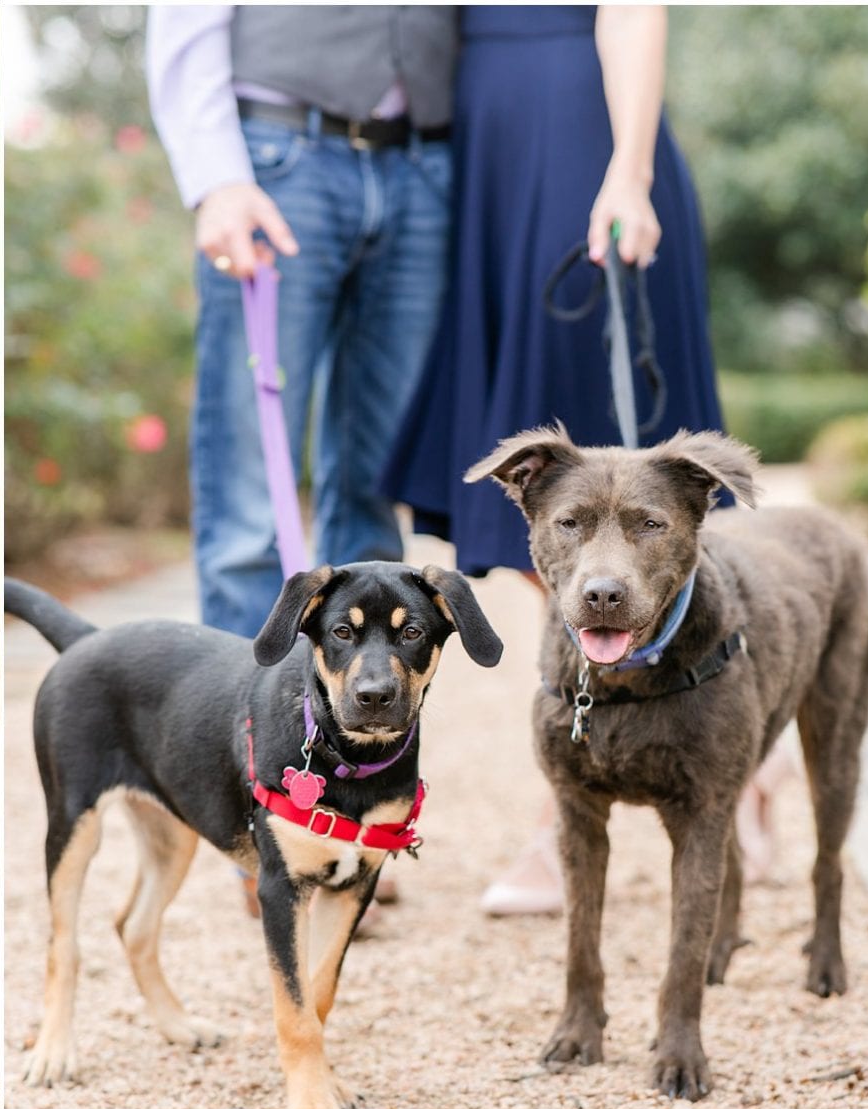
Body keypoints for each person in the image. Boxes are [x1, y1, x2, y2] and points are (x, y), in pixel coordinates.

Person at [379, 5, 738, 913]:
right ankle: (594, 789)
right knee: (551, 503)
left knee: (618, 484)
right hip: (488, 149)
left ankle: (587, 806)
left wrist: (628, 167)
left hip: (581, 132)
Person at [147, 5, 460, 638]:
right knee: (249, 490)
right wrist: (217, 179)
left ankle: (358, 716)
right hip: (279, 157)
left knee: (376, 481)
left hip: (423, 163)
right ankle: (245, 719)